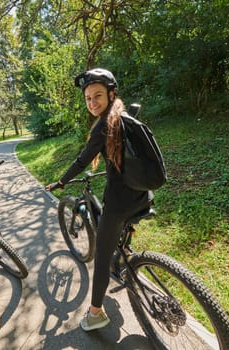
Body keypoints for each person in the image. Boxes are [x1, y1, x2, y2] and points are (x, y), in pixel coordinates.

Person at [46, 68, 151, 331]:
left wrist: (61, 181)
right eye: (88, 98)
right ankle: (124, 251)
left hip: (120, 202)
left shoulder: (104, 125)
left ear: (111, 94)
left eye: (98, 96)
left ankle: (95, 314)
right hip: (142, 194)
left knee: (101, 258)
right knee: (114, 230)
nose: (92, 103)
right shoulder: (124, 116)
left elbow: (82, 160)